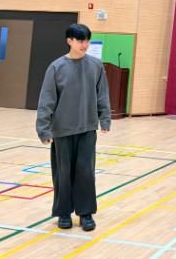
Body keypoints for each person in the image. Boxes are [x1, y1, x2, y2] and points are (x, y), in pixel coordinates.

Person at [35, 24, 111, 232]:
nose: (84, 44)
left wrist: (105, 119)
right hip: (62, 130)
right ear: (69, 41)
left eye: (87, 40)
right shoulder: (56, 67)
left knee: (86, 172)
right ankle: (63, 213)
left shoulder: (96, 66)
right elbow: (46, 100)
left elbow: (102, 94)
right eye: (80, 40)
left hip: (87, 128)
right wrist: (43, 129)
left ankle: (86, 213)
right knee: (63, 174)